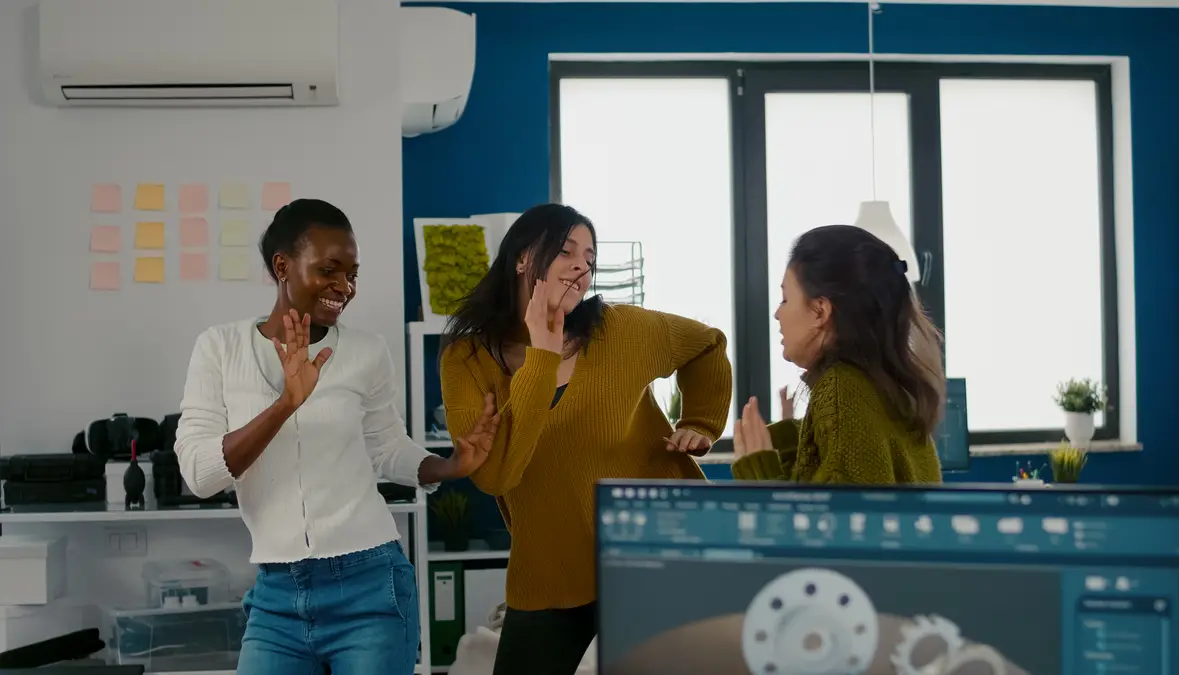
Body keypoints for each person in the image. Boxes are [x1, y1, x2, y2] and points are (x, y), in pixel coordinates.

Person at [174, 199, 497, 675]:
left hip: (370, 586)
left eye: (352, 275)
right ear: (282, 266)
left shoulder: (367, 351)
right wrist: (286, 404)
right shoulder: (219, 349)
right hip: (276, 595)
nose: (344, 288)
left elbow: (386, 448)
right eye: (329, 270)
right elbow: (200, 475)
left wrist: (450, 466)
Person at [439, 203, 733, 675]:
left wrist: (701, 420)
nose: (582, 265)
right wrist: (542, 356)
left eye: (589, 257)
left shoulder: (622, 330)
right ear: (521, 258)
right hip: (550, 567)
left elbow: (707, 345)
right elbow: (496, 475)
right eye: (565, 250)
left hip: (657, 551)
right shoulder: (467, 359)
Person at [731, 224, 944, 484]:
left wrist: (759, 471)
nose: (777, 314)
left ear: (820, 311)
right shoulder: (885, 387)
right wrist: (789, 440)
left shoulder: (841, 390)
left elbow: (840, 520)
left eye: (785, 299)